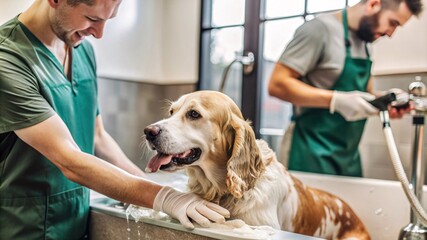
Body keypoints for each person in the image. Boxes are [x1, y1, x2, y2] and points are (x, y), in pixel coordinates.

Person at [0, 0, 230, 239]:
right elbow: (68, 159)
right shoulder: (7, 59)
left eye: (108, 20)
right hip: (25, 227)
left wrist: (145, 182)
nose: (99, 34)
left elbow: (98, 136)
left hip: (75, 222)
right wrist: (165, 198)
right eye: (93, 19)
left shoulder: (83, 51)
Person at [268, 0, 423, 177]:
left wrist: (385, 101)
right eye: (393, 23)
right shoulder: (319, 30)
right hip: (309, 151)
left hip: (348, 156)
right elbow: (277, 84)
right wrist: (336, 100)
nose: (391, 34)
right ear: (373, 4)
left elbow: (365, 93)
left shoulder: (365, 43)